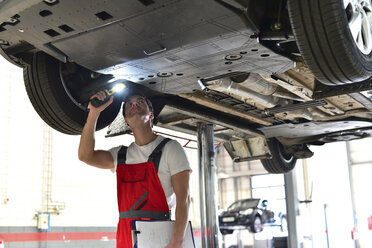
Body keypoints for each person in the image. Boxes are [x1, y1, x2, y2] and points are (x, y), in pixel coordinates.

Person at [78, 90, 191, 248]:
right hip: (126, 236)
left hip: (160, 237)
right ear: (126, 120)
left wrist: (177, 241)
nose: (134, 105)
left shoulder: (171, 148)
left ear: (151, 115)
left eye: (140, 102)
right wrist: (94, 113)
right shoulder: (121, 155)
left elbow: (184, 199)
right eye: (129, 104)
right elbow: (85, 156)